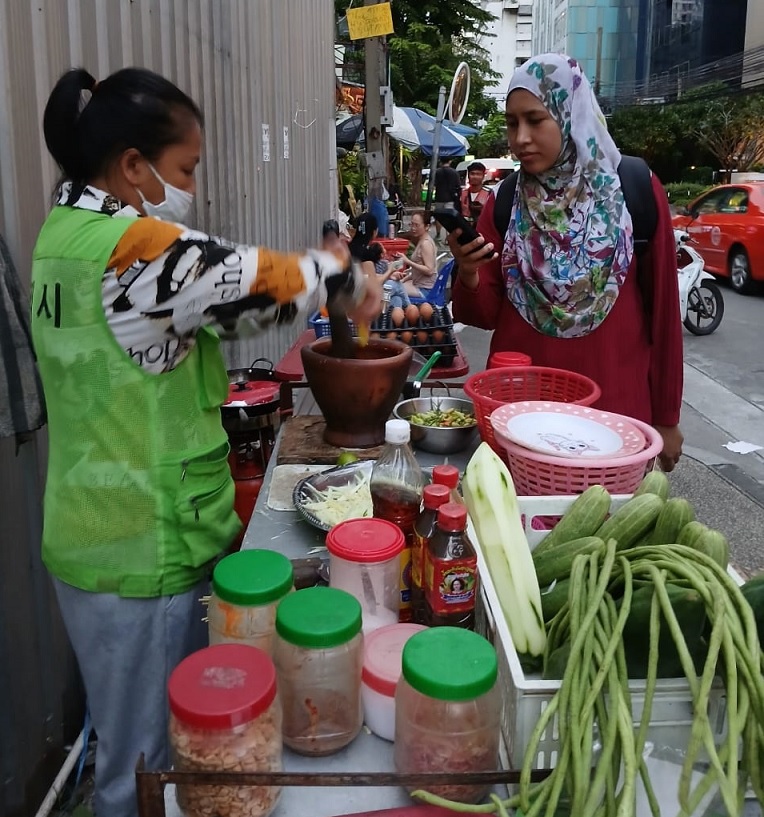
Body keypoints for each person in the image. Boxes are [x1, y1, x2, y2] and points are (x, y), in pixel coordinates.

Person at [31, 66, 380, 817]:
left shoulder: (61, 235)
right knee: (149, 770)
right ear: (132, 166)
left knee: (127, 746)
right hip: (142, 549)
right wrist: (339, 275)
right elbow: (242, 285)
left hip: (89, 540)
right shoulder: (129, 251)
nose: (192, 185)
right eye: (186, 168)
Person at [448, 54, 683, 472]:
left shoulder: (633, 191)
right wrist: (467, 272)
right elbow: (482, 314)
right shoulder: (506, 202)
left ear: (569, 112)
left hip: (615, 416)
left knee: (602, 532)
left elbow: (665, 313)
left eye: (535, 119)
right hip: (521, 416)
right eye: (511, 122)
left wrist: (666, 419)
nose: (520, 137)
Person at [348, 212, 411, 308]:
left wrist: (389, 275)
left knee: (396, 300)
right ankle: (411, 309)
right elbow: (372, 283)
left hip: (352, 295)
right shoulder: (366, 253)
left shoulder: (351, 247)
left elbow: (365, 276)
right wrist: (389, 271)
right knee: (395, 284)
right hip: (363, 299)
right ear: (374, 232)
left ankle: (399, 316)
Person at [393, 210, 438, 299]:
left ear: (427, 226)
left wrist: (408, 262)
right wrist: (407, 276)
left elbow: (429, 270)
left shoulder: (426, 244)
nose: (413, 228)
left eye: (417, 225)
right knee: (394, 284)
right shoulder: (421, 240)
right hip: (418, 284)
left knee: (391, 288)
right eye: (411, 224)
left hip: (425, 290)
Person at [433, 156, 462, 241]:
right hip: (451, 198)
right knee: (450, 217)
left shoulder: (437, 172)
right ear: (450, 161)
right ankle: (448, 237)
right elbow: (458, 185)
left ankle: (438, 235)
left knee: (439, 217)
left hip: (439, 197)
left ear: (440, 161)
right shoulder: (454, 172)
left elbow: (434, 184)